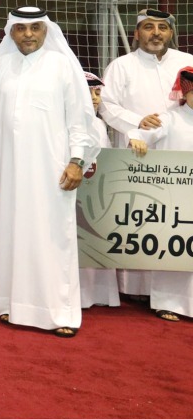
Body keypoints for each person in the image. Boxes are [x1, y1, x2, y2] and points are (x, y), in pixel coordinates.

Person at [0, 7, 101, 337]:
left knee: (52, 237)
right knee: (10, 232)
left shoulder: (62, 66)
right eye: (20, 29)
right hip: (7, 167)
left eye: (34, 28)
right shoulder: (0, 65)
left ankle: (59, 313)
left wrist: (77, 161)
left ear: (46, 30)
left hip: (52, 169)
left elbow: (80, 121)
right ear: (11, 32)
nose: (27, 34)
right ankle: (11, 305)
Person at [99, 9, 193, 300]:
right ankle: (134, 289)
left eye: (162, 27)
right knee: (136, 215)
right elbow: (106, 105)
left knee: (174, 216)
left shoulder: (187, 62)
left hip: (177, 154)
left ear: (170, 33)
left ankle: (173, 292)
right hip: (134, 151)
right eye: (149, 27)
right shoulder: (121, 65)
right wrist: (137, 123)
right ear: (136, 33)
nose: (156, 33)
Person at [126, 66, 193, 322]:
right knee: (172, 249)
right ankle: (167, 302)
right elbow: (138, 135)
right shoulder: (169, 119)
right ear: (185, 93)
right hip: (172, 197)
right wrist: (137, 139)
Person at [81, 72, 121, 309]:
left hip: (97, 194)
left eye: (98, 93)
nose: (95, 98)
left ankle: (100, 295)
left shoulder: (99, 124)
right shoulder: (65, 121)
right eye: (89, 92)